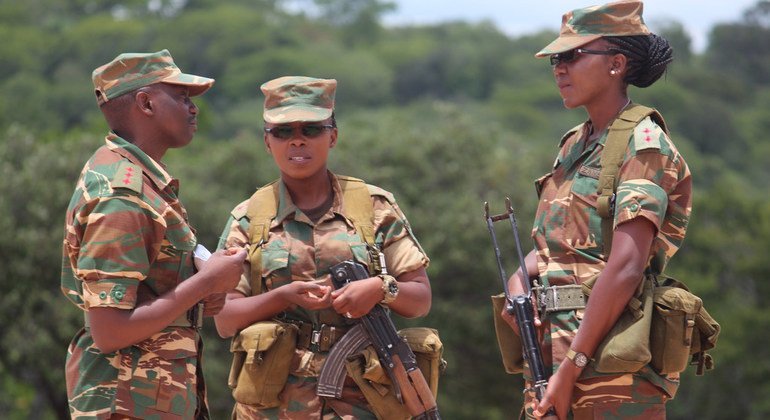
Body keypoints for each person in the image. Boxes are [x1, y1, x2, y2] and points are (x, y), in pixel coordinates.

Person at [501, 1, 691, 419]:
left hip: (609, 370)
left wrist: (572, 368)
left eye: (572, 55)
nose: (559, 68)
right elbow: (563, 243)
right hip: (551, 355)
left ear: (617, 64)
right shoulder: (575, 143)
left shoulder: (644, 144)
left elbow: (626, 265)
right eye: (555, 58)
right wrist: (519, 281)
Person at [214, 76, 433, 419]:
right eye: (283, 132)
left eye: (311, 130)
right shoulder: (250, 218)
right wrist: (284, 296)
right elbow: (225, 319)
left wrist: (379, 289)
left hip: (363, 399)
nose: (297, 141)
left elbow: (420, 298)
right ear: (267, 142)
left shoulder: (373, 207)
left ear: (332, 136)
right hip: (275, 404)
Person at [61, 49, 247, 419]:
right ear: (145, 103)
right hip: (128, 400)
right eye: (180, 97)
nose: (193, 108)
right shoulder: (122, 194)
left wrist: (203, 291)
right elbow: (110, 331)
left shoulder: (142, 183)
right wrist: (206, 282)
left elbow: (150, 289)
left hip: (149, 396)